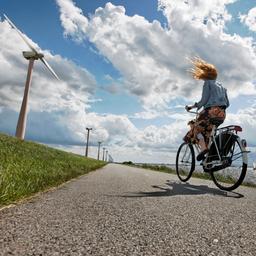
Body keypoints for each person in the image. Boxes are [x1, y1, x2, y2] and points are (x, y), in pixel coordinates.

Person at [184, 57, 230, 161]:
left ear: (205, 74)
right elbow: (227, 103)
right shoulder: (222, 87)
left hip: (210, 112)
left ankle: (204, 149)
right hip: (222, 114)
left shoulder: (207, 83)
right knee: (208, 132)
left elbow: (203, 101)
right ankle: (209, 157)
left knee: (195, 128)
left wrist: (192, 106)